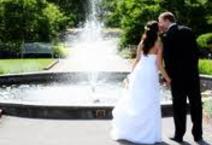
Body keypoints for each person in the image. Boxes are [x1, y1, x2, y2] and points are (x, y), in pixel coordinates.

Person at [110, 21, 171, 144]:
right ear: (157, 30)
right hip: (149, 74)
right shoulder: (159, 43)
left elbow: (137, 60)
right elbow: (159, 64)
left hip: (139, 73)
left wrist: (131, 76)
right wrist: (168, 79)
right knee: (149, 101)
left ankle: (132, 131)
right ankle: (148, 134)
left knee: (136, 100)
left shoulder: (142, 42)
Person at [158, 12, 203, 143]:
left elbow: (168, 60)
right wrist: (193, 69)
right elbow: (196, 53)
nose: (160, 24)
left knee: (179, 107)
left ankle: (179, 135)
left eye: (160, 21)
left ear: (167, 20)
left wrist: (167, 77)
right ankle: (198, 135)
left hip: (177, 78)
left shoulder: (167, 36)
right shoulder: (188, 30)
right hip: (192, 75)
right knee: (196, 105)